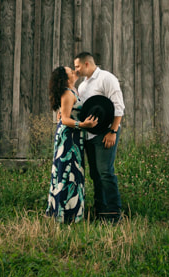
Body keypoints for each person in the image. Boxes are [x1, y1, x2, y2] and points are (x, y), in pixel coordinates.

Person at [73, 51, 125, 223]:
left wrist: (113, 132)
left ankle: (114, 214)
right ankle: (100, 213)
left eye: (77, 66)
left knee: (105, 172)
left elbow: (118, 107)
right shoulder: (82, 86)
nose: (76, 70)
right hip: (88, 136)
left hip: (105, 134)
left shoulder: (106, 78)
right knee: (95, 174)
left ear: (87, 64)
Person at [46, 65, 97, 224]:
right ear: (66, 78)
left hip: (75, 138)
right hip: (68, 138)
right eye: (71, 71)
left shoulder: (74, 91)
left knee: (74, 173)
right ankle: (62, 215)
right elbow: (64, 119)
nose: (74, 72)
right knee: (65, 173)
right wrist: (82, 125)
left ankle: (72, 214)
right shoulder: (67, 94)